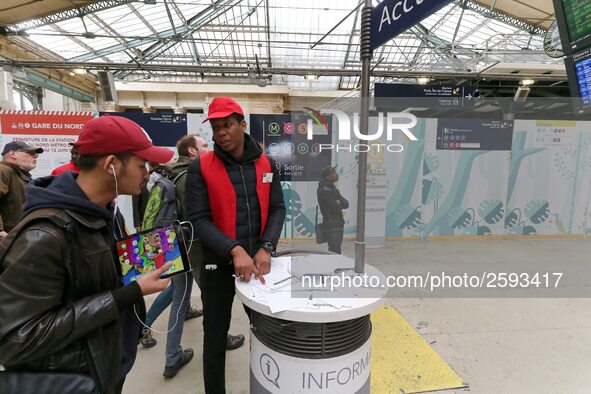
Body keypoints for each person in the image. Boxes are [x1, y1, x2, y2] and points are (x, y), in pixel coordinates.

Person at [0, 115, 175, 393]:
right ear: (111, 165)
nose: (148, 172)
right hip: (76, 379)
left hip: (107, 364)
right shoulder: (44, 235)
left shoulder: (104, 213)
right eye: (142, 164)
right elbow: (17, 341)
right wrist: (128, 294)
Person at [186, 97, 285, 393]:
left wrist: (266, 246)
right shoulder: (200, 167)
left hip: (259, 265)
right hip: (217, 266)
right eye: (215, 128)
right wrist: (234, 249)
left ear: (242, 125)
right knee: (215, 339)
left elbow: (278, 208)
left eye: (227, 125)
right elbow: (198, 220)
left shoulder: (267, 163)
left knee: (269, 335)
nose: (221, 133)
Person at [139, 134, 245, 370]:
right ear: (193, 152)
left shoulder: (173, 173)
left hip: (178, 249)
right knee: (212, 299)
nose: (210, 148)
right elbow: (198, 221)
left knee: (178, 297)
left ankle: (170, 354)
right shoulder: (189, 177)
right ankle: (219, 338)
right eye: (205, 145)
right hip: (195, 252)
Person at [0, 141, 43, 239]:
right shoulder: (3, 170)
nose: (35, 156)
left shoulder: (21, 175)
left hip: (19, 237)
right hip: (7, 241)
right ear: (13, 154)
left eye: (36, 154)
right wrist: (1, 232)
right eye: (30, 153)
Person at [317, 165, 349, 254]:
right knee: (334, 251)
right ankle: (333, 267)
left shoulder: (333, 189)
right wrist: (338, 203)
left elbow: (346, 204)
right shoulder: (324, 190)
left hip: (338, 225)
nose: (336, 174)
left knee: (336, 250)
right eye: (334, 173)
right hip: (332, 226)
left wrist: (338, 202)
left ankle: (335, 267)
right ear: (328, 177)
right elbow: (335, 208)